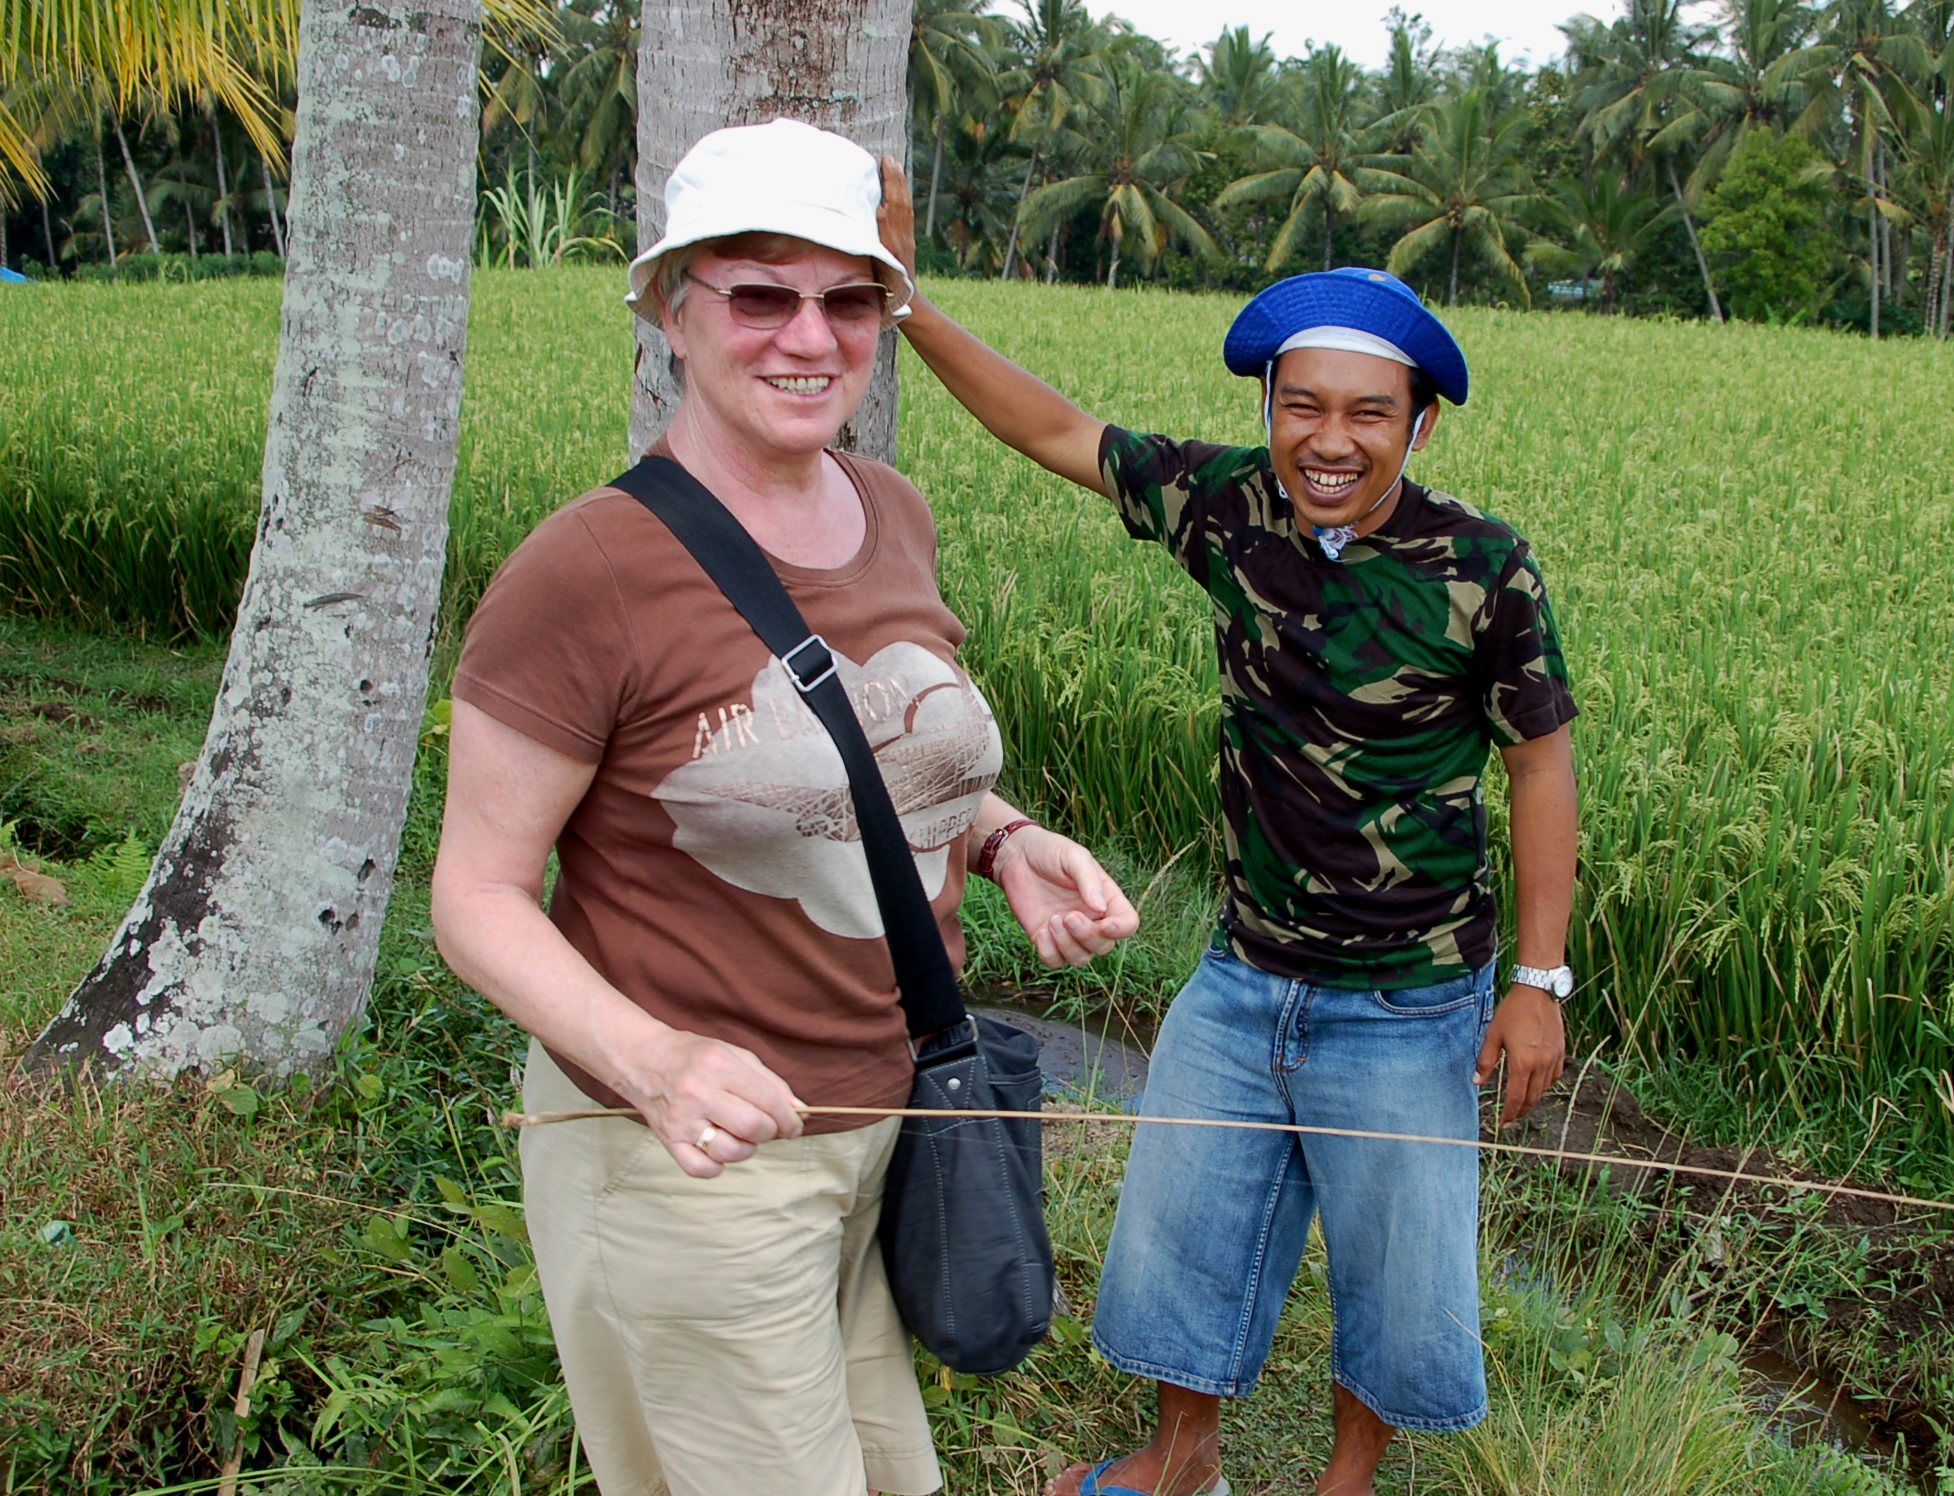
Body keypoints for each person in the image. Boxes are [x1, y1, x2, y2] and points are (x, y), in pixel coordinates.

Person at [428, 120, 1140, 1496]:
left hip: (882, 1126)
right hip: (691, 1163)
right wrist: (653, 1062)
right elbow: (474, 896)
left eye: (849, 299)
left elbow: (871, 754)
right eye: (760, 293)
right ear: (672, 308)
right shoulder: (587, 570)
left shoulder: (891, 510)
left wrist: (1003, 838)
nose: (809, 337)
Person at [878, 166, 1580, 1496]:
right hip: (1244, 969)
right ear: (1268, 409)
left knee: (1395, 1266)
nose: (1331, 440)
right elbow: (1056, 430)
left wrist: (1537, 982)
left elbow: (1541, 766)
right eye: (1302, 404)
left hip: (1412, 993)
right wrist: (904, 306)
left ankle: (1345, 1482)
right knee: (1186, 1231)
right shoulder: (1229, 504)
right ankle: (1181, 1454)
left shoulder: (1482, 566)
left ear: (1420, 424)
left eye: (1368, 413)